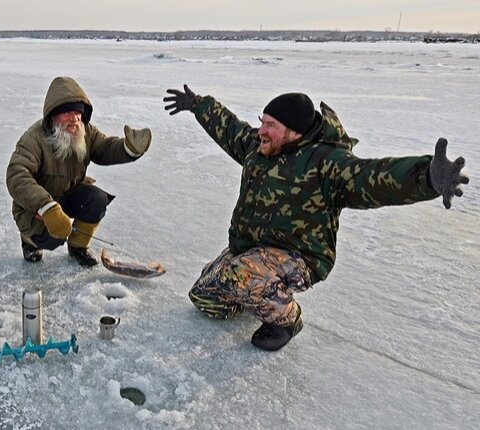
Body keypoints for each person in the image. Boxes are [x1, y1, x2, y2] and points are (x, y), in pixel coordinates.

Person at [163, 85, 469, 351]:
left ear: (293, 131)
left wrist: (427, 177)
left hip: (299, 256)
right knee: (205, 298)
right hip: (252, 249)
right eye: (262, 122)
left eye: (270, 124)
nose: (261, 131)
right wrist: (198, 105)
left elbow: (373, 177)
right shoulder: (259, 148)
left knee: (238, 275)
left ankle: (286, 320)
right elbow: (230, 128)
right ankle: (255, 290)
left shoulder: (326, 164)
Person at [7, 76, 152, 266]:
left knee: (96, 200)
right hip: (36, 208)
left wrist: (129, 148)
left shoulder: (85, 131)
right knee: (55, 236)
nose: (74, 118)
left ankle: (78, 246)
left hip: (68, 194)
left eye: (78, 113)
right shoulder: (34, 139)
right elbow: (17, 175)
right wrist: (46, 207)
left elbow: (105, 148)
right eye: (67, 112)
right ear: (52, 114)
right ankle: (29, 242)